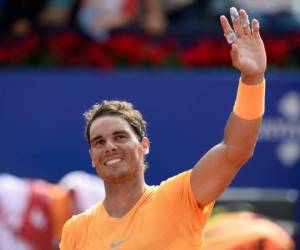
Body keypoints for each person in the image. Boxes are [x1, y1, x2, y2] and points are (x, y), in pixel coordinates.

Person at [60, 7, 267, 249]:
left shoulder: (179, 198)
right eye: (99, 142)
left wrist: (252, 80)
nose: (110, 147)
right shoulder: (75, 229)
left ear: (144, 145)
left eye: (120, 136)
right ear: (92, 157)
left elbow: (235, 149)